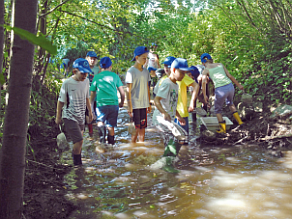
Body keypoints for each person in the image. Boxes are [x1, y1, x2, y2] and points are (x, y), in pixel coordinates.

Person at [152, 58, 191, 173]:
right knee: (177, 137)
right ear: (173, 70)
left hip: (169, 118)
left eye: (185, 73)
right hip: (160, 118)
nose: (184, 75)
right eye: (182, 73)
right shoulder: (167, 83)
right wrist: (164, 113)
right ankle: (166, 164)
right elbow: (156, 100)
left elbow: (173, 103)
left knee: (182, 135)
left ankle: (168, 159)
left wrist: (178, 116)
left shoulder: (175, 85)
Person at [55, 58, 93, 166]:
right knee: (80, 141)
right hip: (69, 116)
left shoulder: (86, 81)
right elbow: (60, 101)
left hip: (80, 115)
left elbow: (87, 98)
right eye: (82, 73)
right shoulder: (67, 83)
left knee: (79, 141)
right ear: (74, 71)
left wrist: (90, 112)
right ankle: (77, 165)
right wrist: (58, 117)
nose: (85, 76)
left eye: (86, 73)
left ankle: (73, 158)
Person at [201, 53, 244, 133]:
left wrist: (204, 95)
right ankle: (240, 122)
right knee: (230, 103)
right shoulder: (220, 65)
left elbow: (203, 83)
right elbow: (230, 76)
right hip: (230, 86)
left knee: (217, 110)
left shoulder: (205, 70)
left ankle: (223, 130)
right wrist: (238, 85)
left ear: (203, 63)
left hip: (221, 89)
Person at [90, 57, 125, 145]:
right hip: (114, 104)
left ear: (100, 67)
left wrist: (91, 106)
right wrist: (121, 102)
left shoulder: (97, 77)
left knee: (100, 122)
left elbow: (92, 93)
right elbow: (122, 93)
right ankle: (111, 146)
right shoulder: (115, 76)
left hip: (101, 105)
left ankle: (102, 141)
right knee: (111, 126)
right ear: (111, 66)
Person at [125, 46, 151, 143]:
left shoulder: (146, 71)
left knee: (143, 127)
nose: (145, 60)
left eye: (146, 58)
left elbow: (148, 88)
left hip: (144, 104)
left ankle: (141, 146)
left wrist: (148, 103)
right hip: (135, 104)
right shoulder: (131, 72)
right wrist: (129, 106)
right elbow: (128, 89)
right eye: (144, 58)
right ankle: (133, 146)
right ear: (136, 58)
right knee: (135, 129)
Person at [175, 65, 199, 135]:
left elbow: (196, 86)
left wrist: (192, 102)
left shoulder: (183, 77)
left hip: (181, 112)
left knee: (182, 139)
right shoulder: (165, 80)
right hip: (173, 113)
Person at [85, 51, 99, 136]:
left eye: (94, 59)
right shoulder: (83, 68)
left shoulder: (97, 70)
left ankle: (96, 136)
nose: (92, 60)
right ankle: (90, 135)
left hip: (96, 97)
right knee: (88, 116)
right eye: (91, 59)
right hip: (85, 96)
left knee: (95, 117)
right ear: (87, 58)